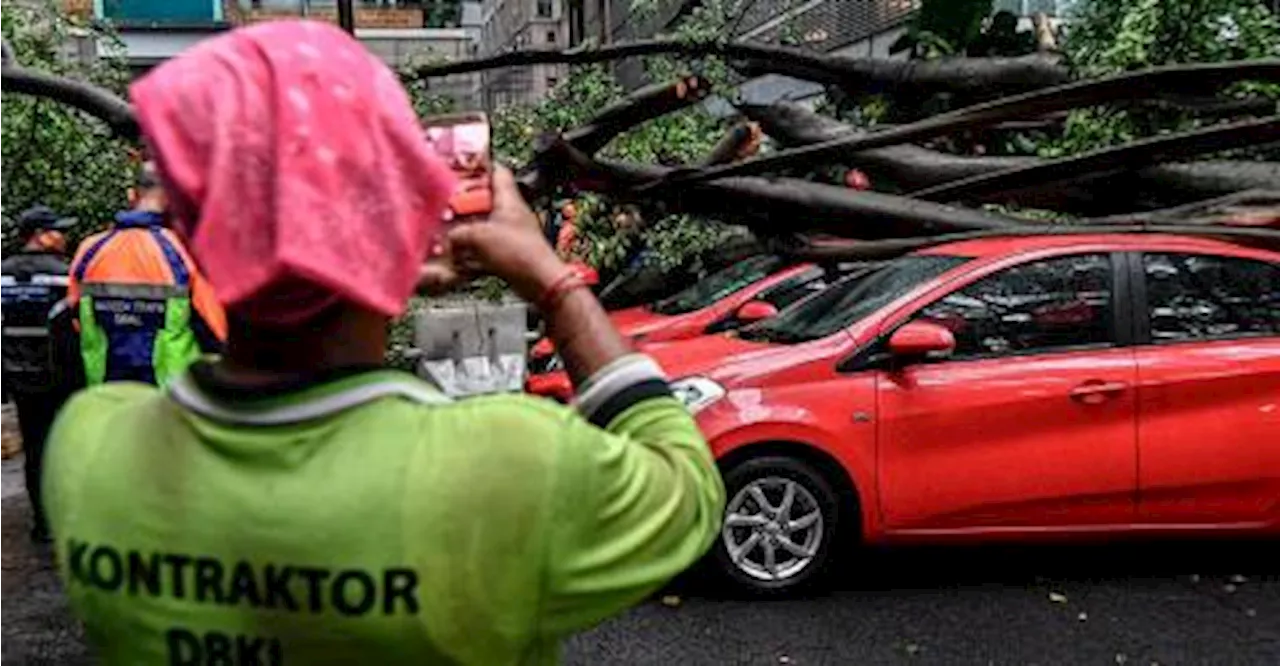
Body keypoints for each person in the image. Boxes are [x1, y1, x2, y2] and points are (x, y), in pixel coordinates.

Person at [43, 20, 724, 666]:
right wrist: (550, 279)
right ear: (400, 218)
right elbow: (686, 488)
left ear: (192, 229)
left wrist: (379, 260)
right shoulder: (505, 467)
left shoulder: (89, 452)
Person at [65, 162, 226, 387]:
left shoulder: (89, 250)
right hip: (168, 399)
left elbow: (75, 320)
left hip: (107, 394)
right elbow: (215, 331)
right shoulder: (184, 250)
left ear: (132, 195)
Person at [0, 205, 76, 543]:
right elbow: (77, 326)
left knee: (34, 447)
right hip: (60, 375)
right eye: (58, 230)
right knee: (66, 445)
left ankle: (41, 523)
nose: (64, 236)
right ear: (40, 235)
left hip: (19, 377)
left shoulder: (2, 275)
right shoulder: (65, 274)